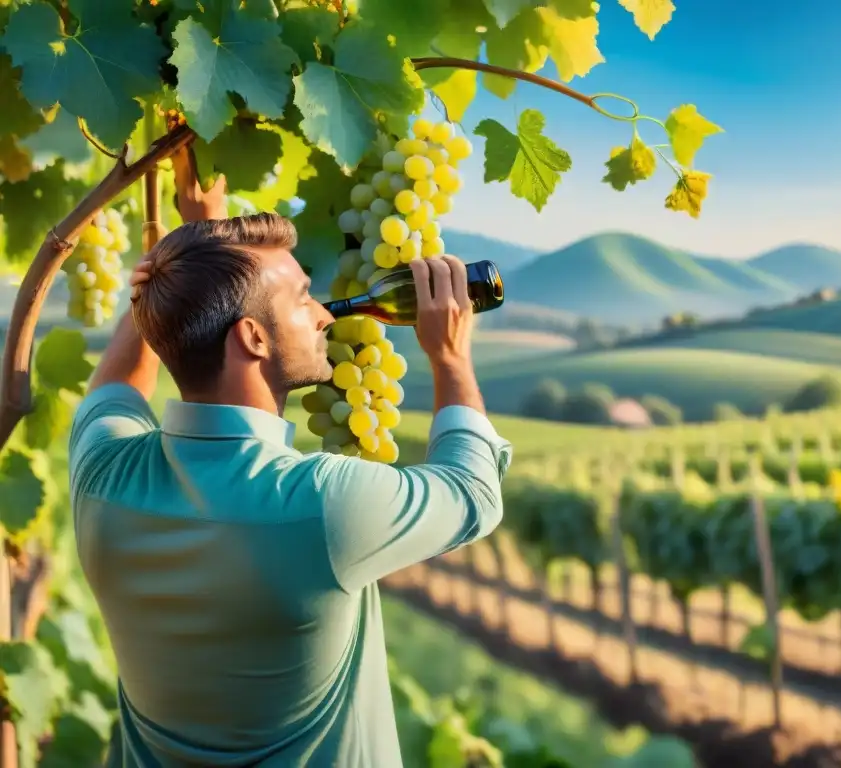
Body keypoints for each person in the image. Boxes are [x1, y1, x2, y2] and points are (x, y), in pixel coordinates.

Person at [67, 143, 512, 767]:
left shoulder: (103, 480)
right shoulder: (320, 506)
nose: (322, 313)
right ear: (252, 338)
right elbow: (474, 494)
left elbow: (114, 387)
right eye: (302, 298)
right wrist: (451, 356)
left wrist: (185, 259)